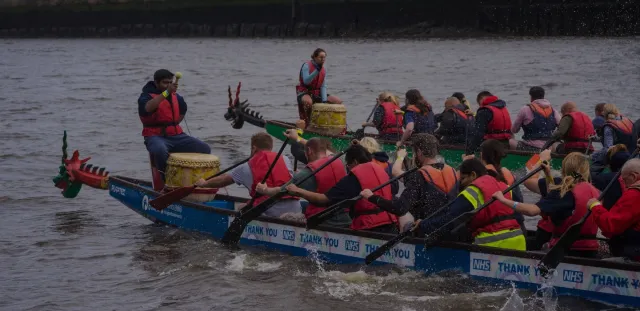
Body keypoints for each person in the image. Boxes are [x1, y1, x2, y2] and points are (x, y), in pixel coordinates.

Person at [492, 151, 600, 258]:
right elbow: (555, 194)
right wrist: (548, 174)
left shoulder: (562, 187)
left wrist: (538, 158)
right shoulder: (594, 190)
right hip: (589, 248)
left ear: (564, 168)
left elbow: (528, 180)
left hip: (561, 247)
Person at [415, 158, 526, 251]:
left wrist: (423, 225)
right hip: (519, 243)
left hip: (492, 246)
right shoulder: (505, 187)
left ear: (473, 175)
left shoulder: (472, 191)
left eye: (463, 179)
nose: (461, 184)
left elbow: (449, 219)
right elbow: (520, 218)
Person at [285, 144, 399, 233]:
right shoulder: (381, 170)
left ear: (354, 162)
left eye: (348, 166)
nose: (348, 169)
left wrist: (298, 191)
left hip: (370, 227)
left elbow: (323, 200)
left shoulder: (354, 178)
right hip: (391, 223)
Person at [361, 134, 459, 232]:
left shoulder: (418, 176)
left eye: (414, 153)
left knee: (406, 222)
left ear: (419, 152)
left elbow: (400, 208)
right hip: (451, 229)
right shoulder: (453, 172)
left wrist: (372, 197)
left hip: (428, 232)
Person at [195, 132, 301, 217]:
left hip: (270, 212)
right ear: (271, 147)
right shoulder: (285, 159)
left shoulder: (245, 167)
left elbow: (223, 180)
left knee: (241, 208)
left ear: (254, 148)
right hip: (296, 209)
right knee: (245, 204)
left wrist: (204, 183)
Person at [255, 138, 351, 227]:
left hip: (323, 221)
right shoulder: (338, 160)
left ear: (309, 151)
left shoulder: (307, 172)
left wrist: (264, 190)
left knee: (285, 217)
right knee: (302, 205)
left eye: (305, 152)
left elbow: (280, 191)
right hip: (345, 217)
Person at [138, 69, 211, 179]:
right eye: (165, 83)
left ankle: (197, 180)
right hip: (155, 137)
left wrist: (172, 125)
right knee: (160, 150)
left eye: (170, 82)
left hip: (177, 136)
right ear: (156, 82)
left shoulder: (177, 97)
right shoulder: (145, 96)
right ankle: (166, 180)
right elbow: (148, 108)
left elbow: (182, 112)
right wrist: (166, 92)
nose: (168, 85)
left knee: (204, 148)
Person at [588, 158, 640, 261]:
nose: (624, 185)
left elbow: (611, 224)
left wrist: (595, 206)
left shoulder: (635, 194)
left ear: (633, 176)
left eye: (625, 180)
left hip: (634, 254)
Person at [296, 48, 342, 128]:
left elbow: (323, 86)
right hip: (304, 92)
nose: (323, 59)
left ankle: (330, 125)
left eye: (324, 57)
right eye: (321, 57)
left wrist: (324, 101)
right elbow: (306, 81)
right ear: (315, 57)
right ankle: (310, 124)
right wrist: (316, 71)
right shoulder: (306, 65)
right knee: (308, 102)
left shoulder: (323, 69)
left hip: (317, 93)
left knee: (338, 101)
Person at [510, 86, 561, 151]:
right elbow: (561, 128)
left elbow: (514, 130)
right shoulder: (553, 110)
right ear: (543, 96)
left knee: (510, 142)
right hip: (548, 148)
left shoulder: (525, 109)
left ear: (531, 97)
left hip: (530, 148)